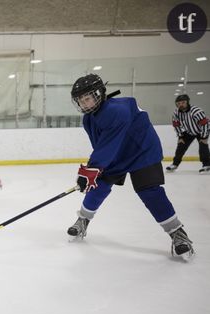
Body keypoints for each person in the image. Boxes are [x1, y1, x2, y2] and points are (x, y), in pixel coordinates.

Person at [68, 74, 194, 262]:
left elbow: (107, 144)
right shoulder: (88, 120)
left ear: (99, 94)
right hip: (117, 154)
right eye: (80, 101)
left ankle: (178, 233)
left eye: (87, 98)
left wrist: (91, 169)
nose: (84, 104)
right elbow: (102, 146)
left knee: (149, 191)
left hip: (142, 151)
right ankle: (83, 220)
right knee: (99, 185)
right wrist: (95, 172)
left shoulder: (116, 110)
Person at [166, 94, 209, 173]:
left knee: (203, 147)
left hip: (201, 131)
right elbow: (176, 125)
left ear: (187, 102)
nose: (180, 105)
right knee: (180, 146)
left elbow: (205, 124)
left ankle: (206, 165)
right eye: (178, 103)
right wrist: (180, 136)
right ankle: (175, 164)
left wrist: (204, 137)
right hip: (189, 131)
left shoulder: (196, 111)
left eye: (183, 102)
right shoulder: (176, 112)